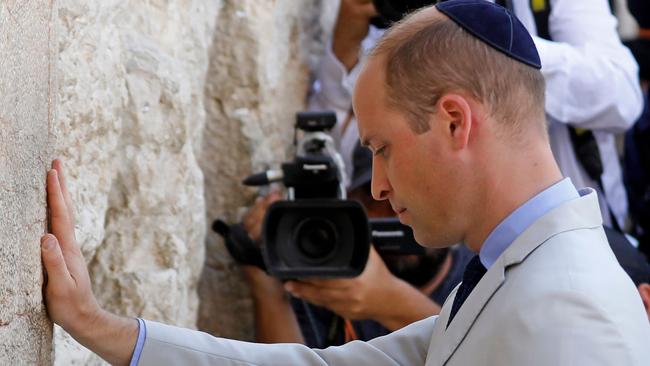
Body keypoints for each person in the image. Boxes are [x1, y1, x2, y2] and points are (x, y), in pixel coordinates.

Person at [40, 1, 650, 365]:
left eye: (381, 148)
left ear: (455, 121)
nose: (376, 187)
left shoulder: (568, 304)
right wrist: (96, 325)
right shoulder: (522, 271)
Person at [310, 0, 642, 231]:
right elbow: (334, 154)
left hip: (572, 224)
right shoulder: (393, 14)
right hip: (441, 252)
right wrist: (344, 51)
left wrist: (485, 43)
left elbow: (622, 96)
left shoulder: (546, 6)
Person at [239, 143, 473, 346]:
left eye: (417, 188)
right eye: (378, 197)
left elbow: (494, 353)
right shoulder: (327, 274)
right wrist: (266, 285)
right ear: (350, 209)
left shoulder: (483, 271)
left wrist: (388, 301)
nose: (398, 212)